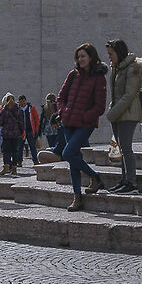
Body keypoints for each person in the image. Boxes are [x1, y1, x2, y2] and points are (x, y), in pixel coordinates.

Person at [55, 45, 110, 209]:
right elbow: (60, 97)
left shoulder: (99, 78)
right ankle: (77, 197)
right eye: (78, 57)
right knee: (73, 160)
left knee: (68, 153)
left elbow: (100, 106)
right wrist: (62, 112)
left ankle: (95, 177)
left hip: (85, 124)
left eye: (83, 56)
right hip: (68, 123)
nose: (80, 59)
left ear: (91, 57)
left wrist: (85, 117)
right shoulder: (73, 75)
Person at [104, 40, 142, 193]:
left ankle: (132, 184)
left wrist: (112, 112)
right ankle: (124, 180)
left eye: (111, 54)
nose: (109, 57)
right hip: (118, 113)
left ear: (119, 52)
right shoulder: (117, 68)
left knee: (126, 149)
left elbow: (129, 95)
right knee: (121, 149)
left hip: (128, 113)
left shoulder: (132, 68)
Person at [0, 93, 31, 176]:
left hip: (6, 134)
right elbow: (21, 122)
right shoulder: (19, 110)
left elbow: (0, 122)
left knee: (6, 151)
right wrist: (21, 132)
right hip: (16, 134)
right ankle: (14, 168)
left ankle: (6, 167)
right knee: (15, 151)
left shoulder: (4, 110)